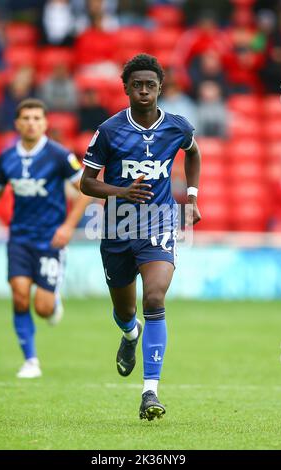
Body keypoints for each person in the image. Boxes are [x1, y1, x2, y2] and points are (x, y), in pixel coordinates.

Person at [80, 54, 201, 420]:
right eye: (137, 85)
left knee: (154, 296)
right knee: (125, 310)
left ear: (160, 87)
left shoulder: (177, 126)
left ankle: (150, 392)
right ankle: (130, 335)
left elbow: (193, 153)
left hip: (159, 223)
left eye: (150, 84)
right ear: (127, 89)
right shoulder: (109, 130)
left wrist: (192, 197)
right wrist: (120, 191)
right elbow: (86, 182)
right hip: (117, 227)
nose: (144, 90)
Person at [0, 98, 90, 378]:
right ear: (17, 123)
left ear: (45, 123)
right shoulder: (7, 158)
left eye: (37, 118)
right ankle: (31, 360)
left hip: (50, 239)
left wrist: (68, 226)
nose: (32, 123)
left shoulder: (59, 155)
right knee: (20, 296)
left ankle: (53, 302)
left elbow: (86, 190)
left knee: (42, 308)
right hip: (19, 237)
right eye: (27, 118)